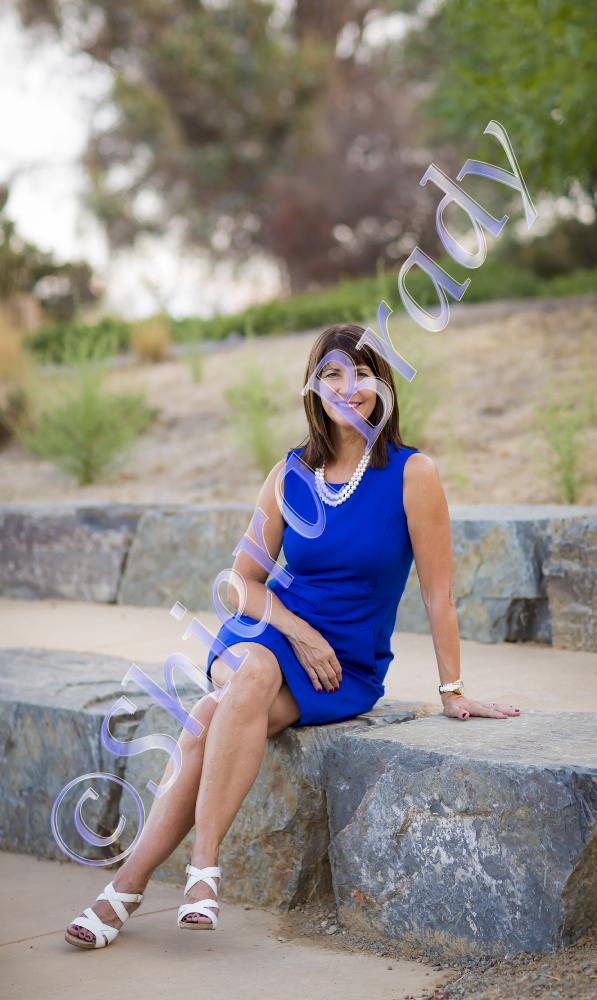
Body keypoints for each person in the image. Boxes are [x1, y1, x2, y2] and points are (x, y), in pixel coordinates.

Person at [65, 322, 521, 949]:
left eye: (363, 373)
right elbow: (240, 582)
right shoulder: (290, 474)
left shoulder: (413, 474)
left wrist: (452, 688)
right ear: (314, 388)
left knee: (208, 715)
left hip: (346, 667)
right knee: (250, 673)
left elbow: (438, 592)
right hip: (266, 635)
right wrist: (297, 629)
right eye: (332, 374)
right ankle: (203, 867)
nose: (348, 387)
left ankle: (126, 889)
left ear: (383, 386)